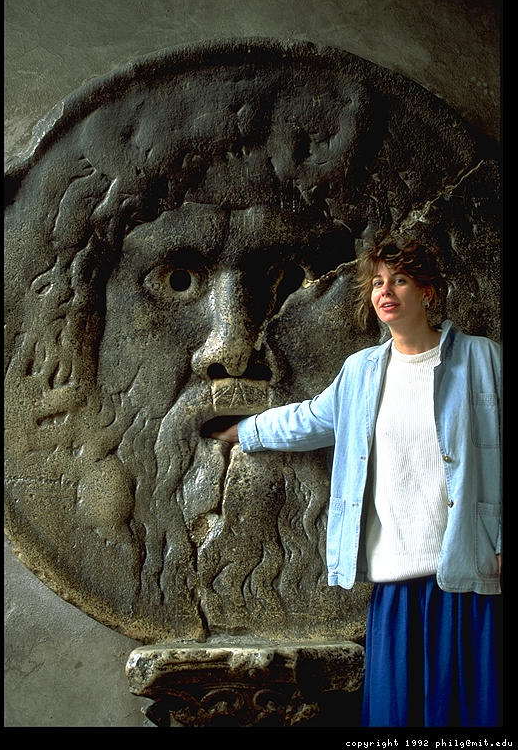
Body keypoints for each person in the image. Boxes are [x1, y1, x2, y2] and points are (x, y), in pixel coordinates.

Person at [210, 238, 502, 728]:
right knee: (394, 721)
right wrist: (242, 430)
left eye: (400, 280)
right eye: (378, 282)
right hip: (394, 581)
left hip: (467, 575)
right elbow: (309, 419)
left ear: (427, 291)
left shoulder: (483, 360)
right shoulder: (361, 372)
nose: (385, 291)